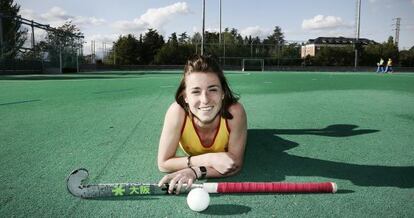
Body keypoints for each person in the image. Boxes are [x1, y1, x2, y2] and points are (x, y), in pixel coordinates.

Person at [157, 55, 247, 194]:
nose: (205, 100)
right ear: (185, 96)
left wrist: (195, 171)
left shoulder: (235, 112)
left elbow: (233, 164)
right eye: (196, 91)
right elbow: (163, 163)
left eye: (212, 89)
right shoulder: (177, 112)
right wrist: (209, 158)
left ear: (223, 93)